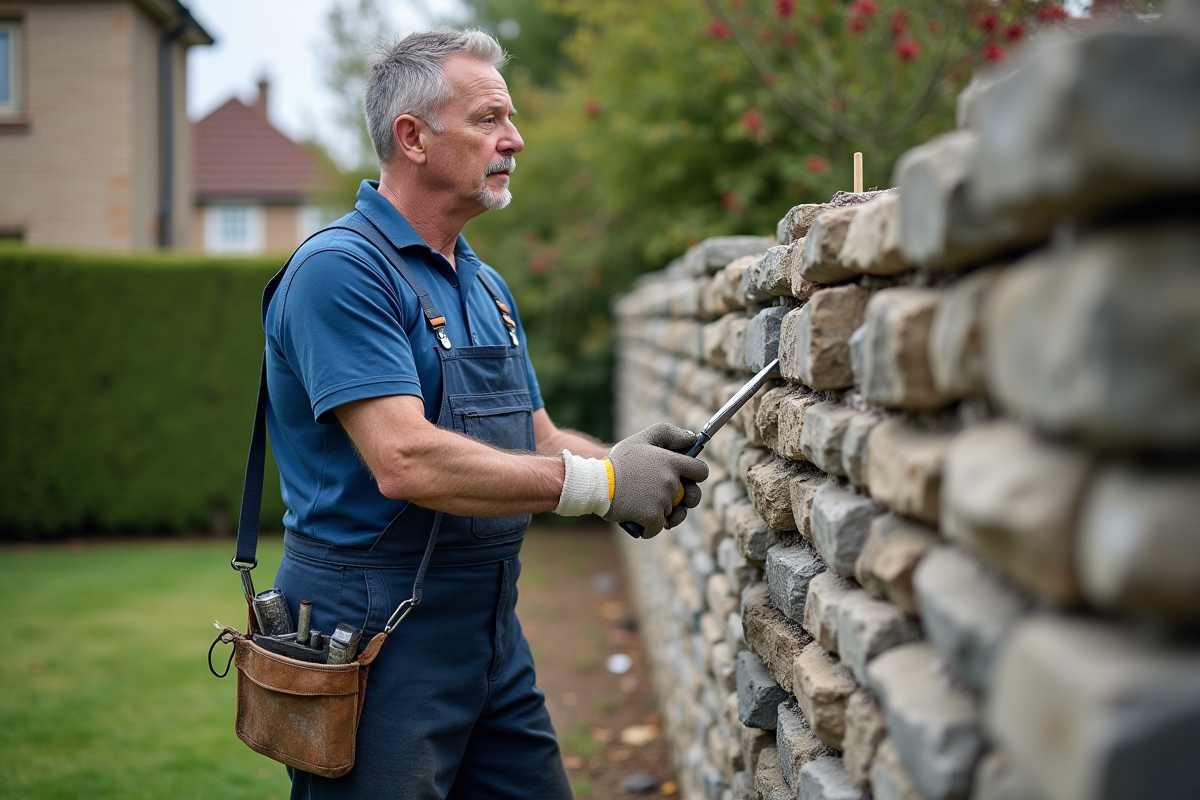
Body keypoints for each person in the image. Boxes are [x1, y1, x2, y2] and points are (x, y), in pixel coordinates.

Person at [260, 29, 709, 799]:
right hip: (370, 634)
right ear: (413, 137)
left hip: (489, 625)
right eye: (489, 119)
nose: (516, 139)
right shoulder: (341, 271)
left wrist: (623, 460)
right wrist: (599, 484)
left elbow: (533, 439)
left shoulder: (482, 281)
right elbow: (404, 459)